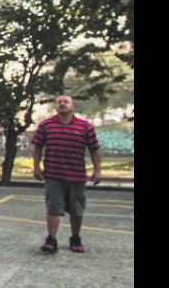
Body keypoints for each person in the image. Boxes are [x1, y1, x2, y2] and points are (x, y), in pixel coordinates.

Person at [32, 95, 101, 254]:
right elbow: (37, 147)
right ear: (56, 106)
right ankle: (51, 240)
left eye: (66, 102)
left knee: (77, 210)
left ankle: (75, 238)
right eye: (59, 102)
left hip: (77, 176)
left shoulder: (85, 127)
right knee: (53, 208)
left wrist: (97, 170)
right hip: (53, 175)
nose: (62, 104)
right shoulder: (46, 125)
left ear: (73, 106)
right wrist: (36, 167)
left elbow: (94, 149)